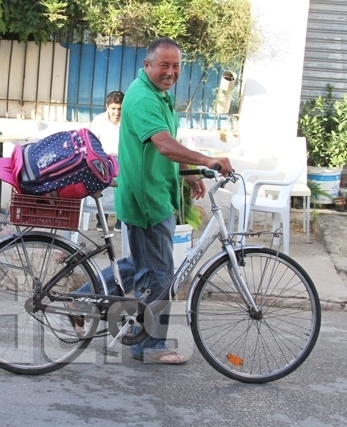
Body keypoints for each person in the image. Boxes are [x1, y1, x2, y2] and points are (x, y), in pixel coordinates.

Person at [72, 38, 233, 364]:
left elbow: (169, 143)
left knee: (143, 263)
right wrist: (208, 159)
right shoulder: (144, 97)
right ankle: (148, 346)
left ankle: (82, 300)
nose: (171, 72)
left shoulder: (160, 95)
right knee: (159, 273)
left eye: (176, 66)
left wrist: (188, 173)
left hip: (155, 192)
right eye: (164, 65)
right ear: (147, 65)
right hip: (146, 198)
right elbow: (162, 144)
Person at [89, 90, 124, 231]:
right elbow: (91, 142)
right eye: (113, 109)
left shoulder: (130, 120)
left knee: (124, 184)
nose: (116, 113)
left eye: (120, 109)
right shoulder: (99, 121)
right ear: (107, 107)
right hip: (104, 160)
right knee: (101, 180)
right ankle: (102, 217)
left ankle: (121, 218)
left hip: (123, 160)